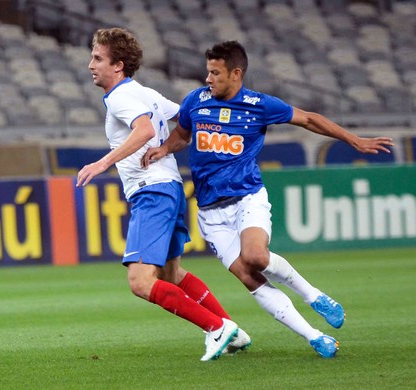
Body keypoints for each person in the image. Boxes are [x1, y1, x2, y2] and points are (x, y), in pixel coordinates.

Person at [142, 41, 394, 358]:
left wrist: (353, 139)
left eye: (215, 73)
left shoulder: (259, 105)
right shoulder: (196, 101)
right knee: (248, 277)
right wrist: (164, 148)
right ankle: (314, 336)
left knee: (256, 258)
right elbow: (183, 133)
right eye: (208, 71)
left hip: (247, 197)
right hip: (209, 212)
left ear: (236, 73)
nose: (208, 79)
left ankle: (314, 295)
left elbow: (309, 119)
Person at [76, 28, 251, 361]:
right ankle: (231, 330)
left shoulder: (120, 97)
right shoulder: (144, 92)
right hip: (170, 187)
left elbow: (143, 130)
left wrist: (104, 162)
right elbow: (186, 117)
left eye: (98, 58)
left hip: (152, 192)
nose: (90, 65)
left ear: (119, 65)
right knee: (171, 275)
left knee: (141, 281)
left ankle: (217, 329)